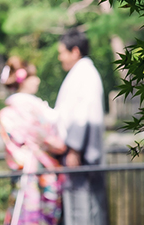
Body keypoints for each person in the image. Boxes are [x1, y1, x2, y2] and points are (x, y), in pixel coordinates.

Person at [0, 56, 66, 225]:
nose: (37, 80)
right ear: (23, 81)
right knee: (40, 213)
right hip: (38, 170)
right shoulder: (29, 107)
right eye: (33, 77)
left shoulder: (10, 110)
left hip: (25, 171)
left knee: (25, 213)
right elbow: (49, 137)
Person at [55, 28, 108, 225]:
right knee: (80, 204)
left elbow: (82, 114)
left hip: (81, 155)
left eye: (62, 53)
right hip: (75, 152)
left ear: (75, 51)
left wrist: (75, 149)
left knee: (85, 207)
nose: (60, 58)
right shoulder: (81, 73)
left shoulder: (86, 74)